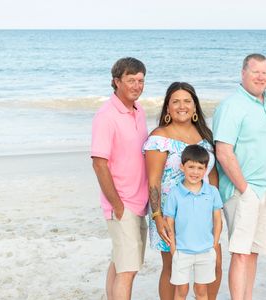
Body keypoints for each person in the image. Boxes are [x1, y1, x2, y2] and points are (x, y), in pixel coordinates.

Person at [212, 53, 266, 300]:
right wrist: (245, 189)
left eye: (265, 72)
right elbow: (223, 151)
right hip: (242, 191)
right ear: (243, 73)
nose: (261, 77)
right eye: (255, 72)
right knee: (240, 253)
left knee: (252, 252)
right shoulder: (231, 106)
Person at [143, 82, 222, 300]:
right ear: (167, 108)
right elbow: (153, 181)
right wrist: (157, 217)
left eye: (187, 101)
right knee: (173, 268)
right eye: (175, 101)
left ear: (195, 107)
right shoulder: (160, 137)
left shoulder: (205, 136)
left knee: (214, 264)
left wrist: (215, 209)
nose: (182, 106)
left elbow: (212, 174)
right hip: (170, 213)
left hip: (203, 212)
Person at [91, 57, 148, 300]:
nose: (137, 85)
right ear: (116, 82)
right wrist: (117, 205)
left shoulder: (139, 111)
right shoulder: (106, 115)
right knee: (128, 269)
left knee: (120, 263)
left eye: (141, 80)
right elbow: (99, 163)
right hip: (122, 203)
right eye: (131, 80)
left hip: (139, 202)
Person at [163, 145, 223, 300]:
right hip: (182, 252)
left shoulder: (212, 192)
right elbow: (169, 222)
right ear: (182, 167)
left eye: (199, 168)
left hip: (205, 251)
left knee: (201, 291)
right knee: (181, 291)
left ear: (205, 170)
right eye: (191, 167)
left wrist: (214, 243)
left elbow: (217, 219)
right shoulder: (175, 193)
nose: (195, 172)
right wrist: (174, 249)